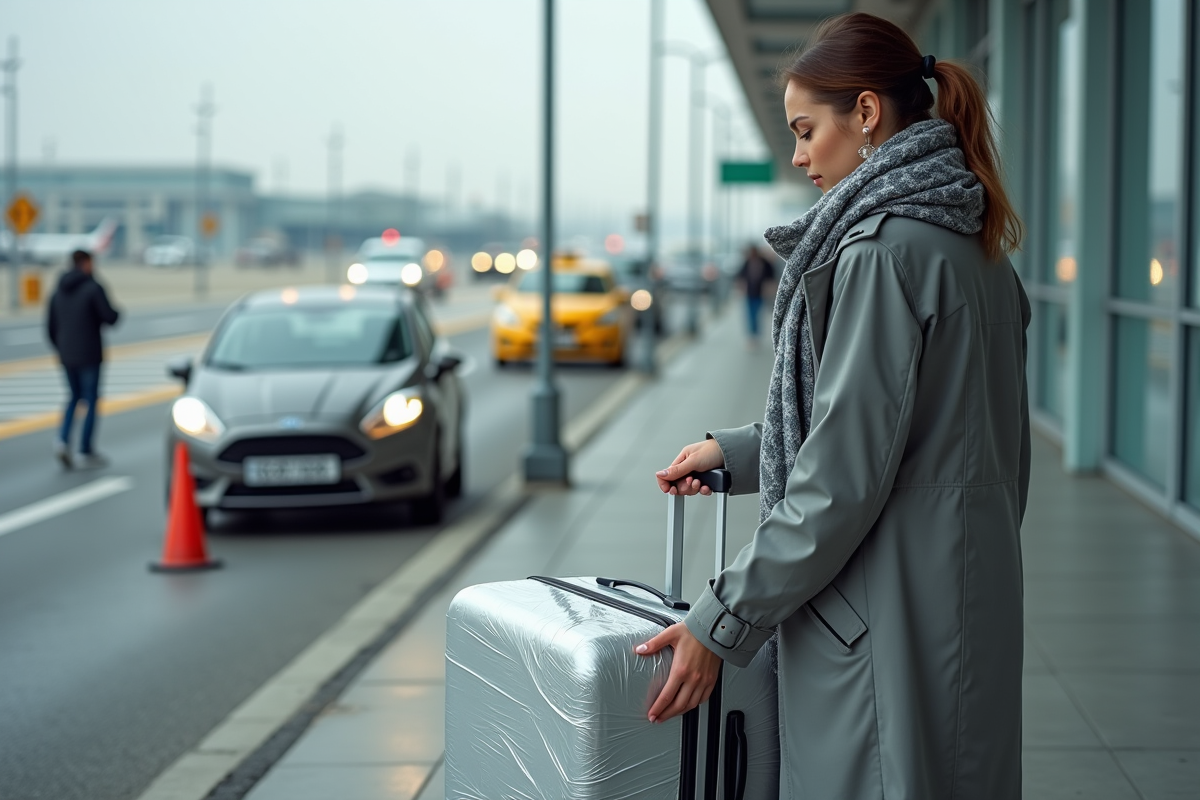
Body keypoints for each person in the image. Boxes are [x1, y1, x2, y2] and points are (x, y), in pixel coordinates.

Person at [635, 12, 1029, 800]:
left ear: (868, 114)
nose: (799, 154)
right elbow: (918, 425)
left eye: (808, 128)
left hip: (885, 616)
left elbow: (842, 477)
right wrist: (742, 451)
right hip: (962, 592)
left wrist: (723, 621)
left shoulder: (883, 252)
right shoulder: (973, 246)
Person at [47, 249, 120, 468]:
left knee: (73, 397)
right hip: (89, 354)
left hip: (67, 355)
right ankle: (85, 449)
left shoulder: (58, 290)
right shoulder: (93, 288)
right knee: (90, 400)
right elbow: (110, 316)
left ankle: (62, 440)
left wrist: (61, 348)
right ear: (86, 263)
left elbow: (50, 326)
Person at [736, 244, 775, 342]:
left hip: (760, 292)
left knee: (757, 313)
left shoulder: (765, 263)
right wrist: (741, 288)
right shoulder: (747, 262)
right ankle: (752, 334)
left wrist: (769, 288)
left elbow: (770, 276)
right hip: (749, 292)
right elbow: (741, 276)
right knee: (750, 314)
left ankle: (756, 333)